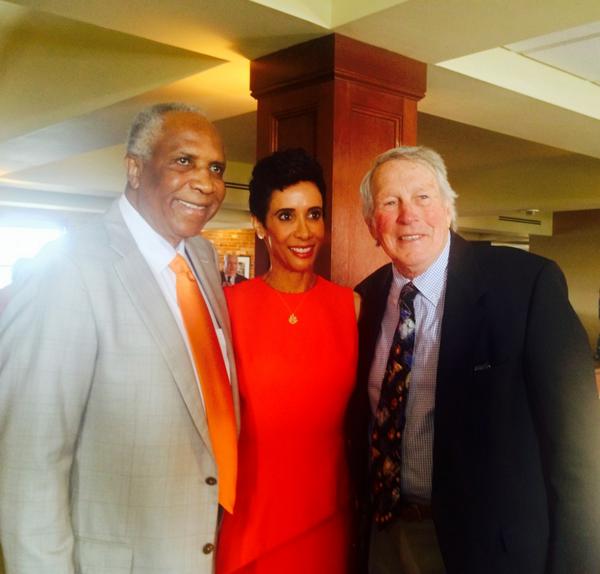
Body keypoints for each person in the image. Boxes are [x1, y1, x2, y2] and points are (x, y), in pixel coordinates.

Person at [0, 102, 239, 574]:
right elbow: (29, 468)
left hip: (204, 547)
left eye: (215, 168)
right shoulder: (67, 270)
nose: (206, 183)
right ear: (134, 168)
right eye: (183, 161)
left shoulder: (203, 258)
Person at [351, 145, 600, 574]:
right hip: (386, 538)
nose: (408, 214)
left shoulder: (525, 285)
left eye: (423, 197)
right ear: (373, 225)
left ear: (448, 208)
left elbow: (577, 450)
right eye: (390, 202)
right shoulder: (365, 299)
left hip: (489, 550)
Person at [216, 148, 360, 574]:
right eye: (286, 216)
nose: (304, 231)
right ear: (260, 226)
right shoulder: (228, 308)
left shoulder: (349, 307)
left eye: (314, 214)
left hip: (327, 521)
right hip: (250, 525)